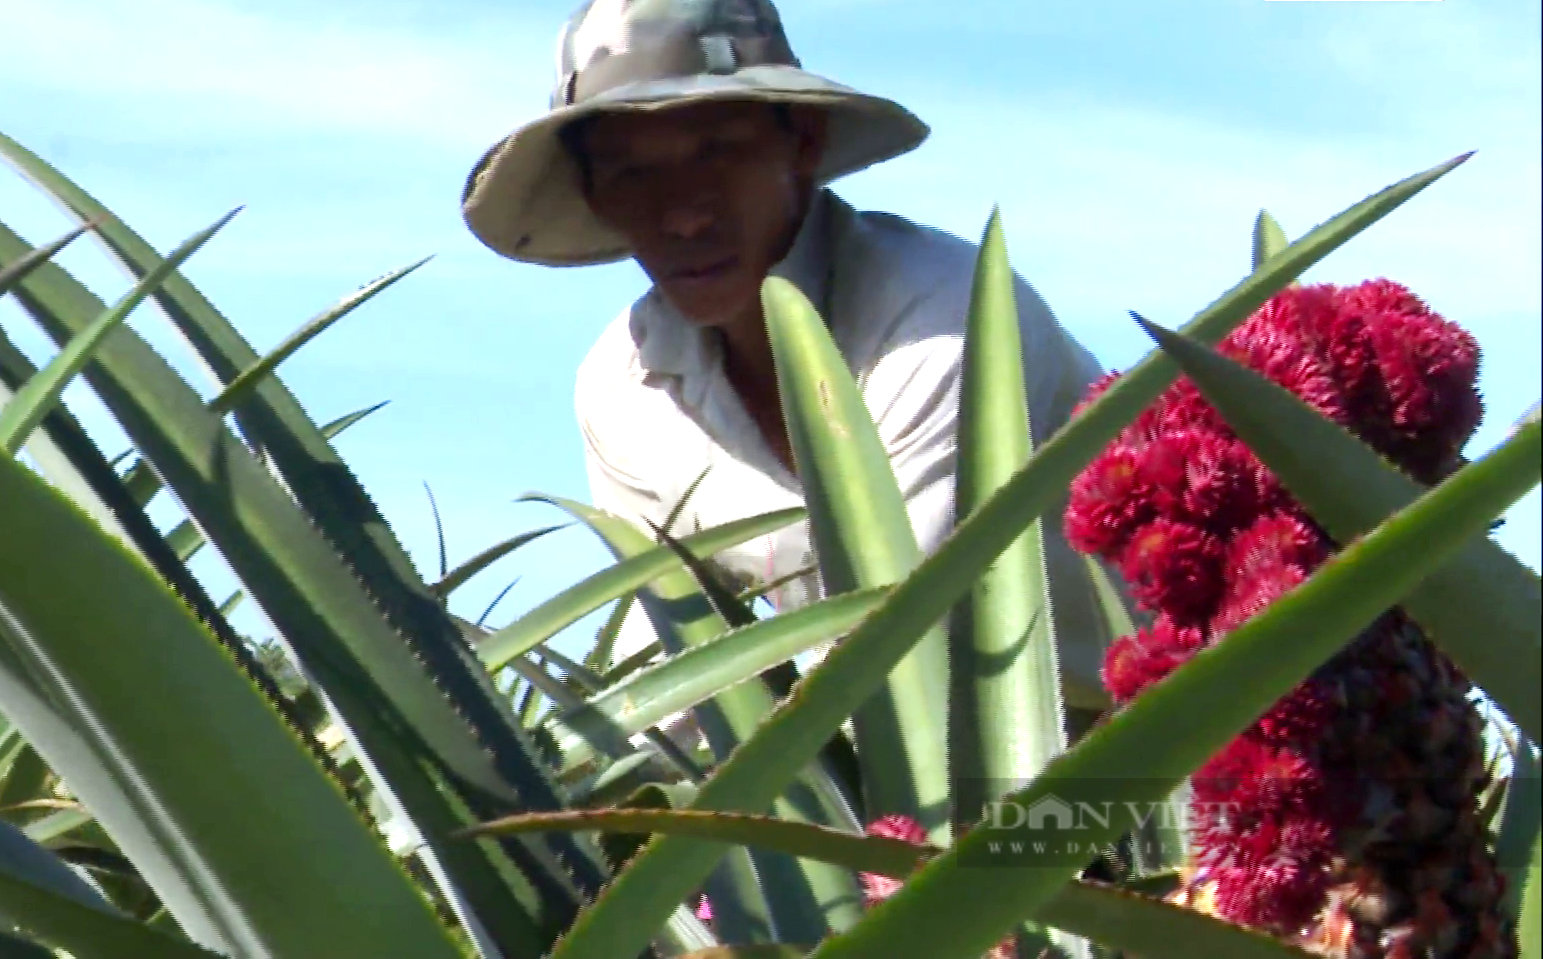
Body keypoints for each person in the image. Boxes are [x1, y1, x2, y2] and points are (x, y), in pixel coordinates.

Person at [461, 0, 1120, 750]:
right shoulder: (623, 389)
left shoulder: (938, 316)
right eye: (630, 171)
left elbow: (906, 637)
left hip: (1159, 780)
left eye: (716, 150)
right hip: (897, 797)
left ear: (801, 141)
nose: (680, 216)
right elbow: (674, 676)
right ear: (593, 196)